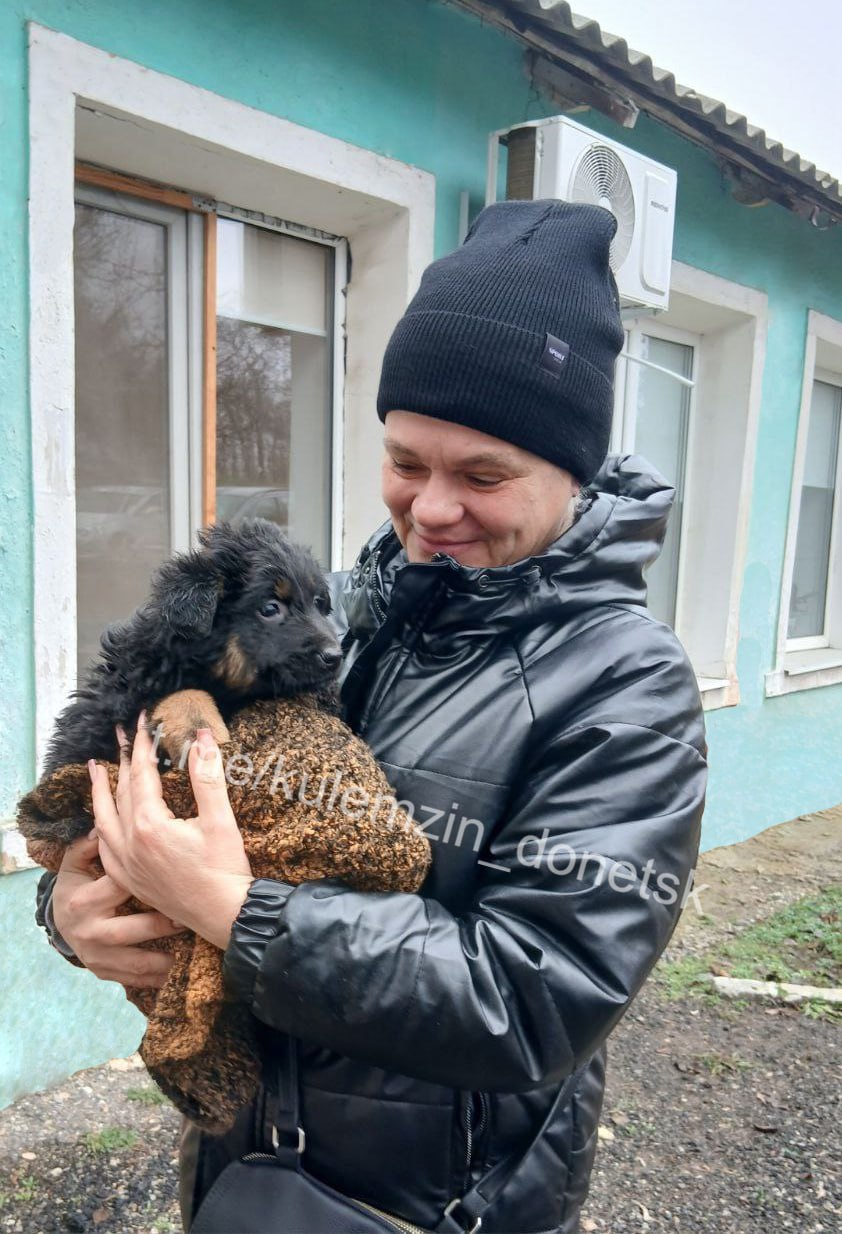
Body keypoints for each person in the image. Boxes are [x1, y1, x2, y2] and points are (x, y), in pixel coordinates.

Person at [37, 199, 707, 1234]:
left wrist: (240, 913)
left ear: (571, 471)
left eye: (482, 474)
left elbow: (533, 1001)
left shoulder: (627, 688)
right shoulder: (329, 617)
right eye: (405, 462)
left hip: (434, 1208)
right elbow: (135, 786)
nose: (430, 509)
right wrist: (75, 915)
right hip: (243, 1172)